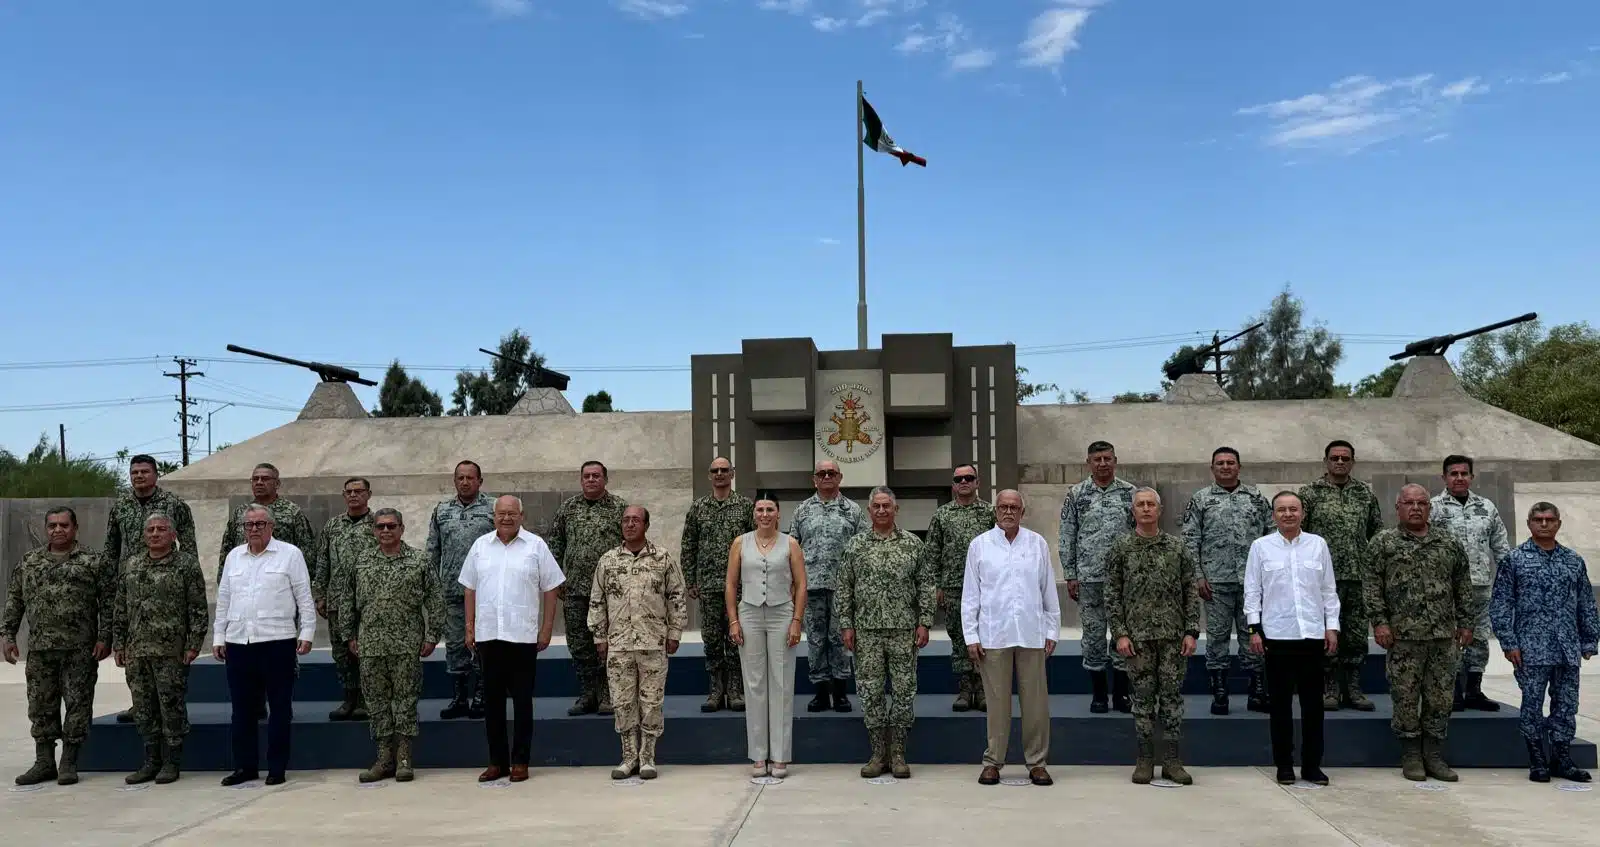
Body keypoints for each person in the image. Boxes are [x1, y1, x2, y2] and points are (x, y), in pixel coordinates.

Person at [1365, 484, 1474, 782]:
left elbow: (1462, 585)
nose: (1416, 508)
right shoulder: (1383, 542)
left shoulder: (1448, 542)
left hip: (1443, 636)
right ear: (1397, 507)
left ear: (1430, 507)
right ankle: (1411, 754)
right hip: (1403, 637)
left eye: (1422, 503)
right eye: (1409, 503)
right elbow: (1372, 586)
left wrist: (1466, 623)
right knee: (1406, 697)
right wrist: (1380, 623)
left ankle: (1434, 755)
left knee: (1440, 699)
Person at [2, 507, 113, 787]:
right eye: (52, 526)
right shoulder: (30, 562)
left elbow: (108, 603)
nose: (58, 530)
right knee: (41, 706)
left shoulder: (92, 561)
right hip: (41, 649)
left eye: (64, 525)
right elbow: (15, 599)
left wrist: (105, 637)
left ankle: (69, 761)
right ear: (45, 529)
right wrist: (8, 634)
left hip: (80, 649)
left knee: (78, 705)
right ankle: (44, 762)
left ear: (75, 528)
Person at [1489, 502, 1598, 783]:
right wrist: (1508, 642)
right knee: (1532, 704)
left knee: (1566, 705)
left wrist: (1589, 639)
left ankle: (1562, 757)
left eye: (1550, 519)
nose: (1544, 524)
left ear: (1559, 523)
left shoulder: (1573, 561)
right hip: (1530, 648)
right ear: (1529, 524)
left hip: (1566, 647)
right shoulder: (1514, 560)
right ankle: (1537, 759)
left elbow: (1586, 602)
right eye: (1538, 519)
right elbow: (1501, 604)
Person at [460, 495, 563, 784]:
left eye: (512, 513)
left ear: (522, 516)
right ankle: (497, 762)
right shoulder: (481, 546)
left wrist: (546, 629)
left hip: (522, 637)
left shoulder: (536, 546)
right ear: (494, 517)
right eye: (501, 513)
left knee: (521, 702)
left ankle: (520, 761)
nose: (506, 518)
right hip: (488, 635)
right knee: (491, 703)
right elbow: (469, 588)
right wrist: (470, 627)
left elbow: (552, 588)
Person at [213, 505, 316, 787]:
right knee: (242, 710)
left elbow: (304, 596)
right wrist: (218, 637)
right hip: (239, 642)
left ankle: (276, 767)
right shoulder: (235, 556)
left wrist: (307, 632)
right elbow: (224, 599)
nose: (254, 529)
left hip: (277, 641)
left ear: (272, 526)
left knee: (279, 708)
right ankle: (245, 767)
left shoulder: (290, 554)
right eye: (249, 525)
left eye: (260, 524)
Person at [962, 489, 1059, 787]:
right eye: (1003, 507)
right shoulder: (980, 546)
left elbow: (1047, 591)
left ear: (1022, 512)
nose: (1008, 512)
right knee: (997, 705)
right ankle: (993, 762)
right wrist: (971, 635)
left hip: (1031, 633)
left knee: (1035, 705)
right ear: (995, 511)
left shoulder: (1036, 544)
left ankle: (1037, 763)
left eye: (1014, 507)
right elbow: (970, 595)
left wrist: (1052, 630)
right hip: (993, 634)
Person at [343, 508, 445, 784]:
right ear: (373, 530)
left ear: (402, 528)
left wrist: (432, 635)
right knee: (376, 704)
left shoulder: (419, 561)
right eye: (380, 527)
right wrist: (349, 634)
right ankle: (383, 758)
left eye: (391, 526)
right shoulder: (361, 561)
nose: (385, 531)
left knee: (405, 702)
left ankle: (403, 758)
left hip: (406, 645)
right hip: (371, 645)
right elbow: (347, 600)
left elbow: (435, 600)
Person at [1106, 488, 1200, 785]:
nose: (1146, 509)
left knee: (1171, 700)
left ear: (1159, 511)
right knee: (1143, 701)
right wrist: (1120, 634)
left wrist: (1191, 631)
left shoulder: (1177, 548)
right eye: (1140, 505)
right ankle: (1145, 759)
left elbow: (1191, 592)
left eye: (1151, 504)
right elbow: (1111, 595)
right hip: (1137, 640)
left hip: (1173, 637)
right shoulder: (1120, 548)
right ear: (1132, 511)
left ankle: (1172, 761)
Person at [1244, 491, 1339, 786]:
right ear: (1273, 515)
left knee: (1314, 706)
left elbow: (1328, 590)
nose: (1288, 514)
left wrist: (1331, 626)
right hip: (1276, 636)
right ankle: (1284, 764)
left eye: (1293, 509)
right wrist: (1254, 629)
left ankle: (1312, 765)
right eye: (1282, 510)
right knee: (1281, 706)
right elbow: (1252, 591)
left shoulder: (1317, 545)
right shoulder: (1261, 547)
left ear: (1302, 513)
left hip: (1311, 635)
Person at [838, 487, 933, 779]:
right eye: (876, 506)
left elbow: (926, 584)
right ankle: (878, 754)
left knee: (904, 692)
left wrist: (925, 621)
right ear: (869, 511)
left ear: (896, 509)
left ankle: (899, 754)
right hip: (866, 632)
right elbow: (844, 586)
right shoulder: (855, 545)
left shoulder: (913, 544)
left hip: (904, 630)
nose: (881, 510)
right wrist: (846, 624)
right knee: (870, 692)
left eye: (886, 506)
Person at [590, 506, 688, 780]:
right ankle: (628, 756)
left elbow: (676, 595)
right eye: (626, 520)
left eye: (636, 520)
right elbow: (597, 600)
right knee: (622, 702)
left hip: (652, 643)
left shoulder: (662, 558)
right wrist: (599, 636)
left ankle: (647, 757)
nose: (630, 524)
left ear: (646, 525)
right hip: (619, 644)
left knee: (651, 702)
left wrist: (675, 632)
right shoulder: (608, 560)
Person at [112, 513, 208, 786]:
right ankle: (151, 760)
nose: (155, 534)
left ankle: (172, 761)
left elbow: (198, 608)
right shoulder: (132, 565)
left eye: (161, 529)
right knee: (143, 708)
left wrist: (193, 645)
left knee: (171, 707)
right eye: (150, 530)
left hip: (171, 651)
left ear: (173, 535)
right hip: (137, 650)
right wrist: (119, 643)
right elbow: (121, 606)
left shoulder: (186, 564)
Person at [103, 454, 197, 725]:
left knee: (170, 651)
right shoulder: (120, 507)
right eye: (134, 472)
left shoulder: (175, 505)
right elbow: (111, 548)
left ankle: (171, 704)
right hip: (132, 585)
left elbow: (189, 545)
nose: (139, 476)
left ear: (156, 475)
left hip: (166, 585)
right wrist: (110, 582)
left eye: (144, 471)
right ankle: (139, 703)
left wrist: (188, 576)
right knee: (135, 649)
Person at [1181, 447, 1273, 715]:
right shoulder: (1200, 500)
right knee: (1218, 637)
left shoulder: (1255, 498)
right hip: (1215, 584)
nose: (1225, 467)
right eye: (1220, 463)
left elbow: (1270, 537)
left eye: (1230, 462)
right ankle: (1219, 692)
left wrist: (1268, 577)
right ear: (1212, 468)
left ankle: (1256, 691)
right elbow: (1190, 540)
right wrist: (1198, 575)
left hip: (1251, 583)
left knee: (1253, 637)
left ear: (1239, 467)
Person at [726, 493, 807, 778]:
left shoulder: (790, 543)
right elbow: (731, 584)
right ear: (754, 513)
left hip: (781, 614)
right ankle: (759, 755)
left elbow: (800, 585)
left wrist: (796, 621)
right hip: (748, 613)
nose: (764, 514)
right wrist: (734, 620)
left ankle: (781, 755)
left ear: (778, 513)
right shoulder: (741, 543)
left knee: (781, 681)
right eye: (759, 509)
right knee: (755, 683)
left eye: (769, 509)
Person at [1298, 440, 1382, 711]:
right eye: (1335, 458)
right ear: (1326, 461)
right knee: (1326, 633)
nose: (1340, 462)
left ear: (1353, 462)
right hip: (1322, 580)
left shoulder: (1365, 495)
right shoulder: (1309, 494)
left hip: (1358, 577)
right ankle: (1330, 688)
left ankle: (1354, 688)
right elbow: (1301, 536)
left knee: (1356, 636)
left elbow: (1376, 534)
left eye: (1346, 458)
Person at [1429, 455, 1511, 712]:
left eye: (1464, 474)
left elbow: (1500, 545)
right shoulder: (1433, 507)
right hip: (1446, 588)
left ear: (1472, 477)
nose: (1459, 478)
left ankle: (1474, 689)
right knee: (1450, 639)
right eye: (1453, 474)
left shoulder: (1486, 507)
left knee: (1479, 637)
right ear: (1444, 478)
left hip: (1480, 586)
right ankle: (1452, 691)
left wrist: (1508, 580)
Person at [1058, 440, 1136, 714]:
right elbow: (1067, 534)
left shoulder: (1130, 493)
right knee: (1092, 637)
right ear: (1088, 463)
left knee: (1123, 635)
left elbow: (1141, 533)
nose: (1102, 464)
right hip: (1089, 579)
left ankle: (1122, 695)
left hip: (1124, 580)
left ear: (1115, 460)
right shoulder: (1076, 494)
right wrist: (1070, 573)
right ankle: (1100, 695)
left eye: (1107, 458)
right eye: (1097, 459)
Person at [549, 460, 628, 716]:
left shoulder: (619, 508)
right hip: (574, 590)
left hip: (609, 592)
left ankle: (608, 694)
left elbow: (630, 543)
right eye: (586, 476)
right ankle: (587, 694)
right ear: (581, 480)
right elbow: (556, 544)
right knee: (580, 644)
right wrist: (557, 578)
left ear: (606, 479)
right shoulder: (568, 509)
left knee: (608, 644)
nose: (591, 480)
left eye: (596, 476)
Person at [789, 460, 867, 713]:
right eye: (821, 473)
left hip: (842, 587)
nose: (826, 477)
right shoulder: (802, 511)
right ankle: (821, 692)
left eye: (831, 473)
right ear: (814, 479)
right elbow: (792, 549)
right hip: (810, 588)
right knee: (815, 639)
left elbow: (863, 550)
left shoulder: (852, 511)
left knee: (840, 639)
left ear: (839, 477)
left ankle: (841, 693)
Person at [680, 457, 755, 713]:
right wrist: (690, 579)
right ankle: (715, 690)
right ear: (709, 476)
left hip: (741, 586)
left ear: (732, 473)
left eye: (725, 470)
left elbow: (756, 545)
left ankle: (735, 691)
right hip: (709, 586)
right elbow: (689, 545)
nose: (720, 474)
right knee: (712, 640)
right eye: (715, 470)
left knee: (736, 638)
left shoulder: (746, 507)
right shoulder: (698, 508)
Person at [426, 459, 495, 721]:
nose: (465, 482)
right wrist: (430, 584)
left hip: (486, 592)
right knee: (455, 645)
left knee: (482, 644)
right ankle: (459, 697)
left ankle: (481, 695)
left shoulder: (493, 508)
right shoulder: (442, 510)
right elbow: (433, 549)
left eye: (470, 477)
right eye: (460, 478)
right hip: (452, 592)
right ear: (454, 481)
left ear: (480, 480)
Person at [923, 464, 995, 712]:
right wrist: (936, 585)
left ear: (977, 482)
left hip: (986, 587)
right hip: (954, 586)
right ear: (953, 485)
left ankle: (983, 689)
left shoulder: (990, 514)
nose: (964, 482)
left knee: (984, 637)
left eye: (969, 478)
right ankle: (965, 689)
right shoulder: (942, 515)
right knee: (959, 637)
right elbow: (932, 553)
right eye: (959, 479)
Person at [313, 476, 377, 722]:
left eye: (358, 491)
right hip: (337, 601)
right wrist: (320, 594)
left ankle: (365, 700)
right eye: (349, 492)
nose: (353, 495)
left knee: (365, 651)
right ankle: (349, 698)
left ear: (368, 495)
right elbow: (322, 562)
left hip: (367, 601)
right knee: (341, 654)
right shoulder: (333, 526)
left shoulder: (377, 524)